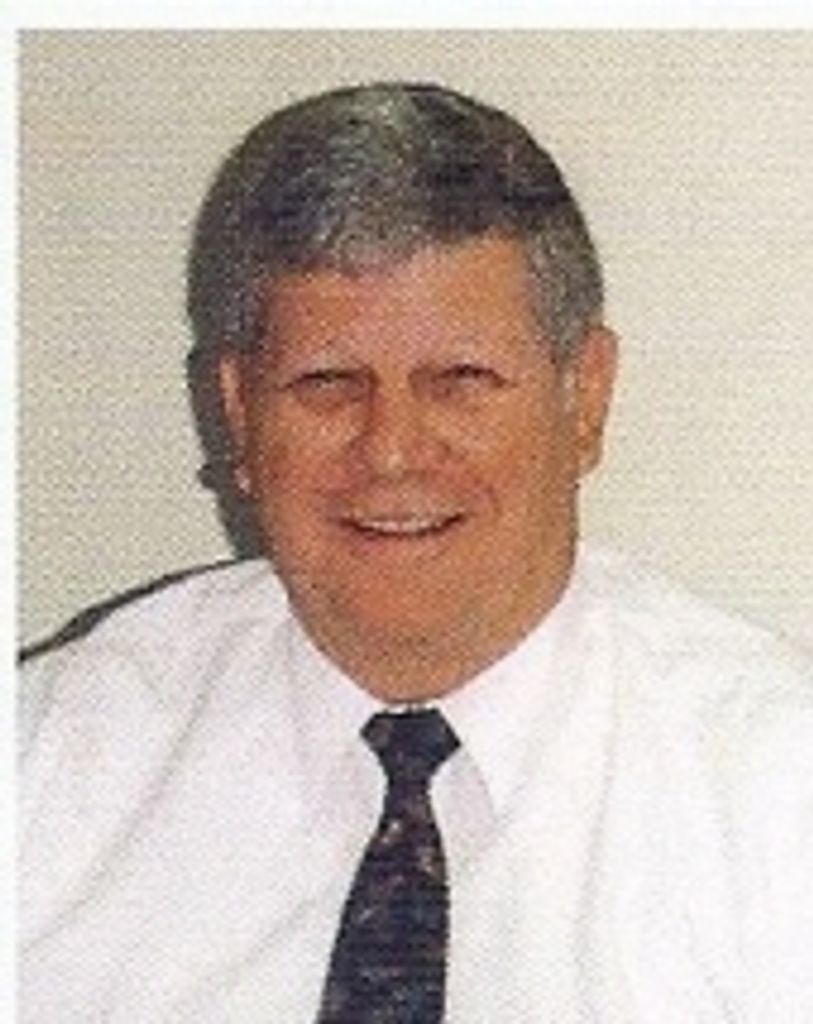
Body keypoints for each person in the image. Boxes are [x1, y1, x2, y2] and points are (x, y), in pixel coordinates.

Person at [19, 82, 813, 1022]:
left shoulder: (774, 792)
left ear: (586, 398)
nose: (391, 452)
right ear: (236, 413)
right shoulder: (47, 763)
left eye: (461, 380)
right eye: (327, 383)